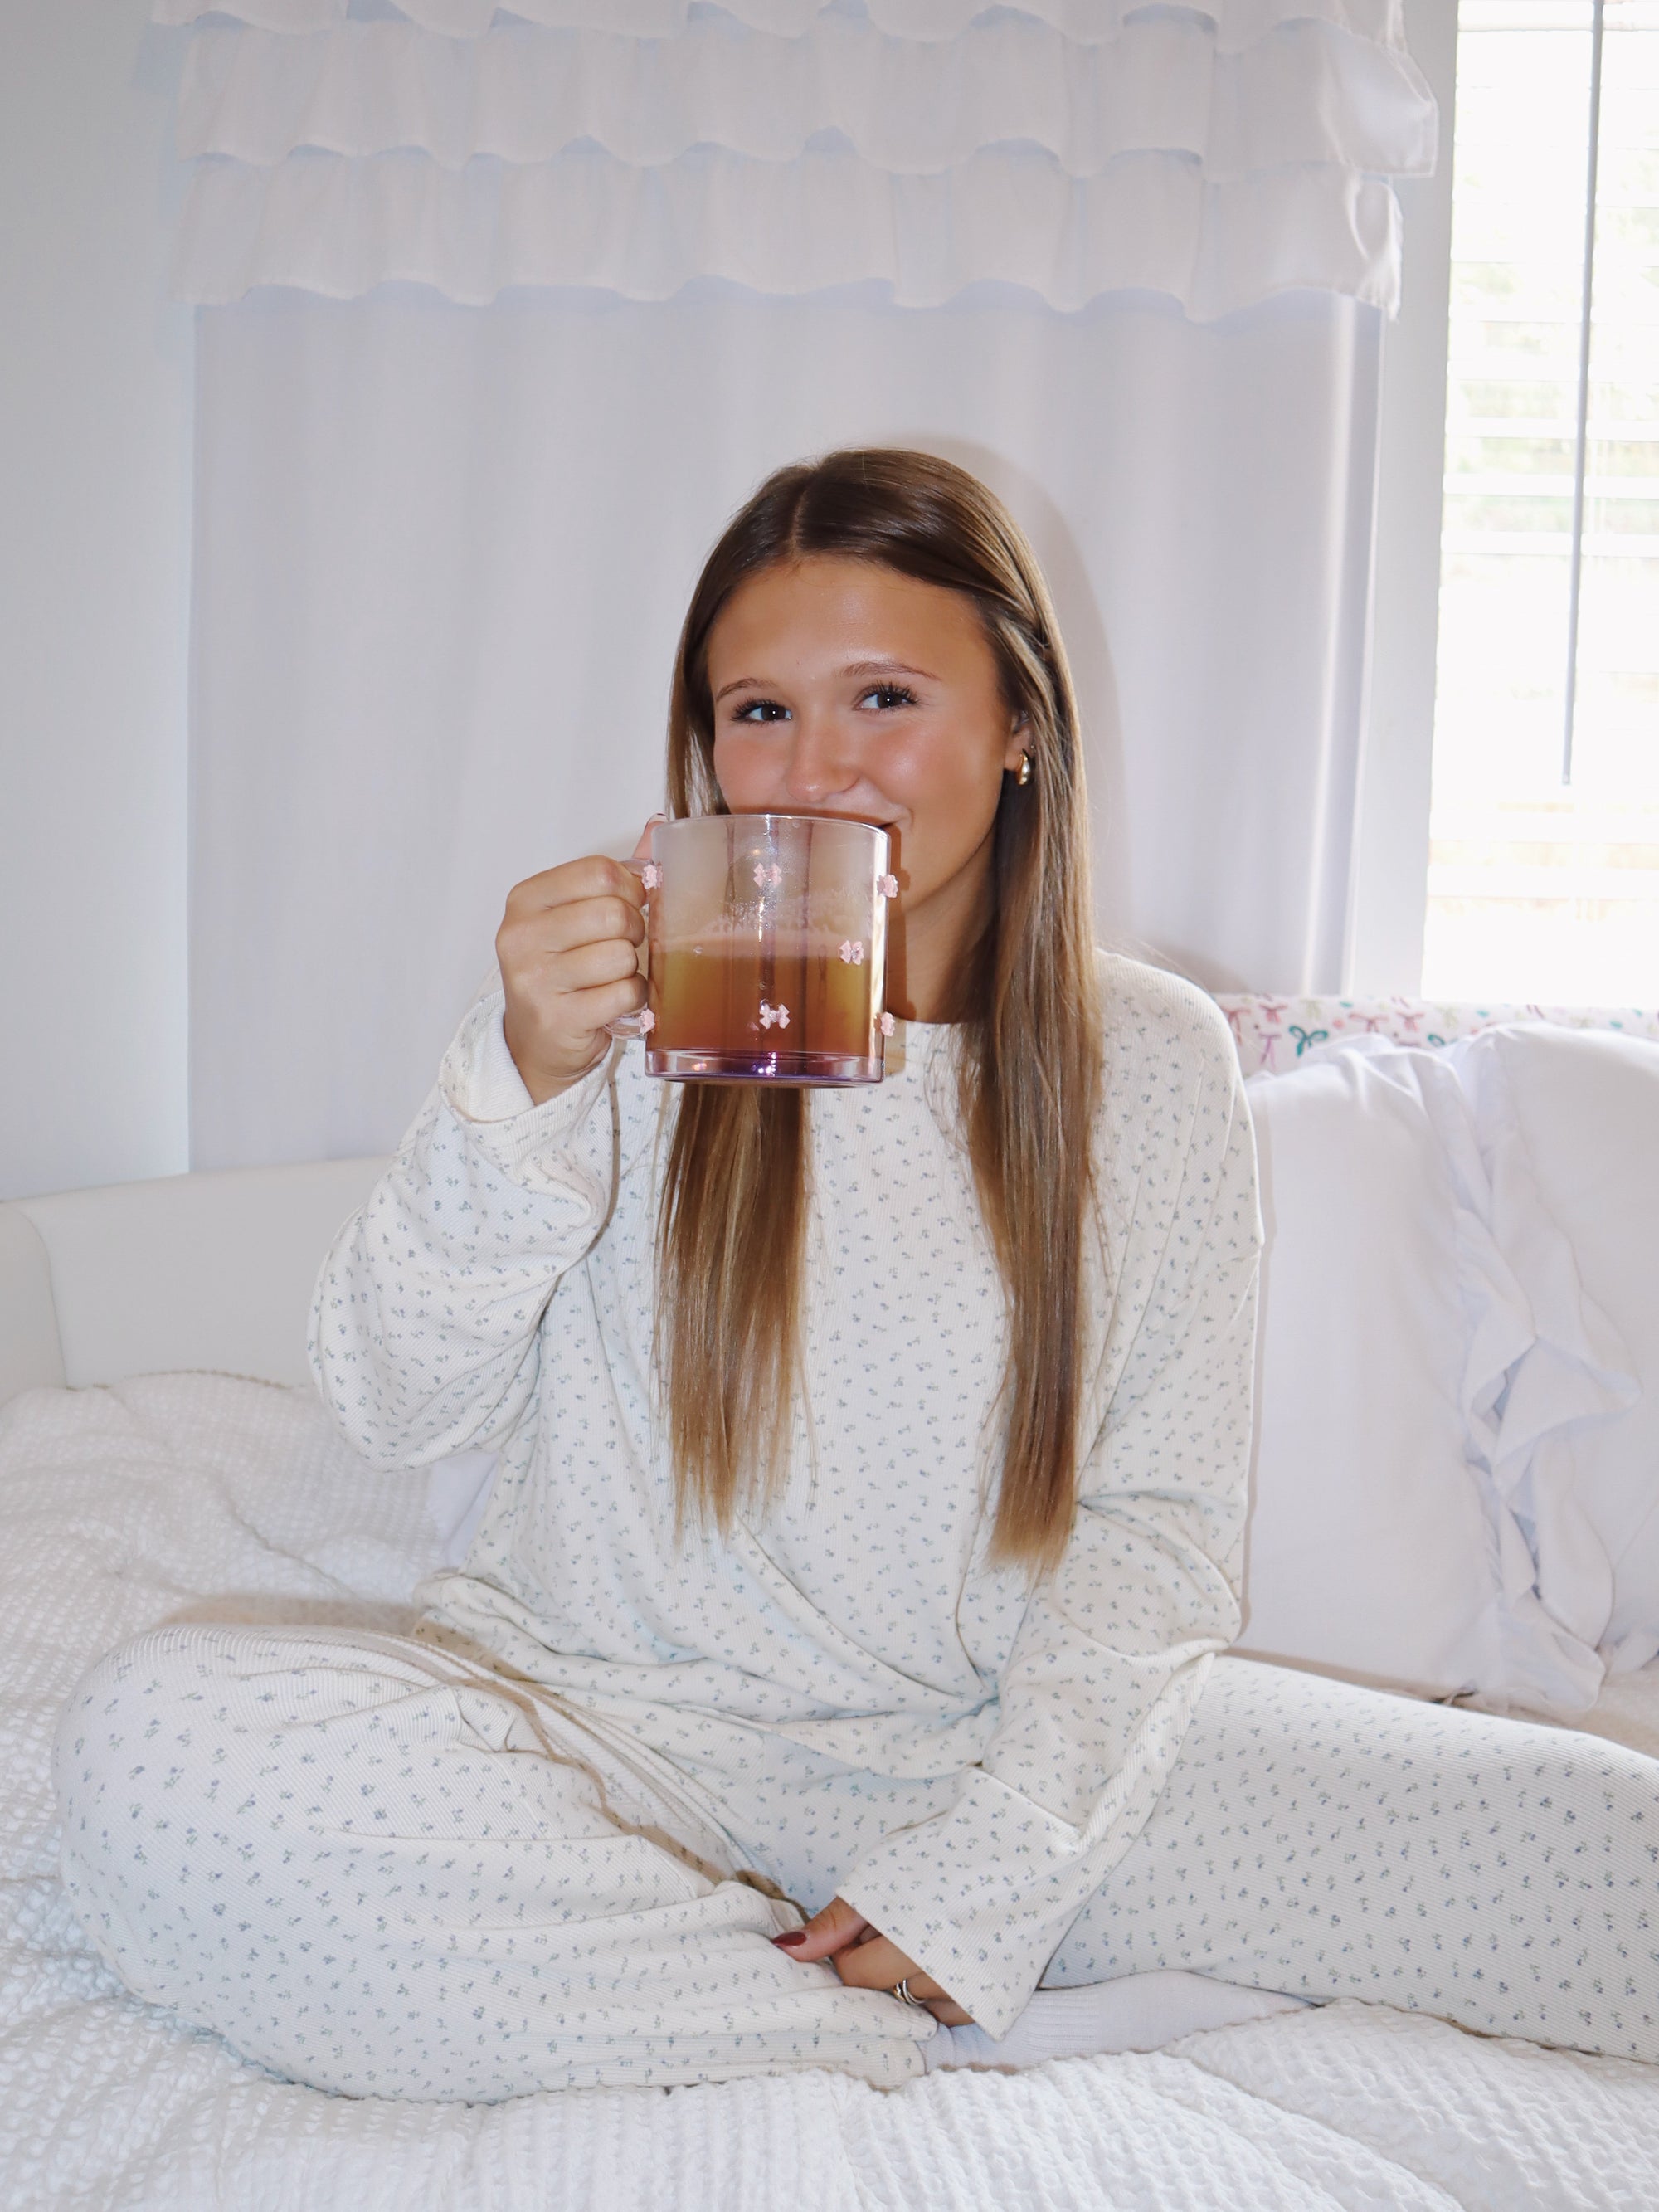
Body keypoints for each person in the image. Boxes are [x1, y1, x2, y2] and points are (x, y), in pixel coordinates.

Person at [53, 451, 1657, 2102]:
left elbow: (1157, 1532)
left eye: (881, 695)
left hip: (991, 1753)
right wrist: (521, 1075)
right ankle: (862, 2036)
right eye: (756, 712)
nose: (811, 770)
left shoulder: (1149, 1063)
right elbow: (392, 1402)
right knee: (158, 1754)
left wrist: (986, 1875)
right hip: (602, 1741)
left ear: (1020, 726)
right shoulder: (615, 1014)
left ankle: (764, 1983)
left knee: (1606, 1854)